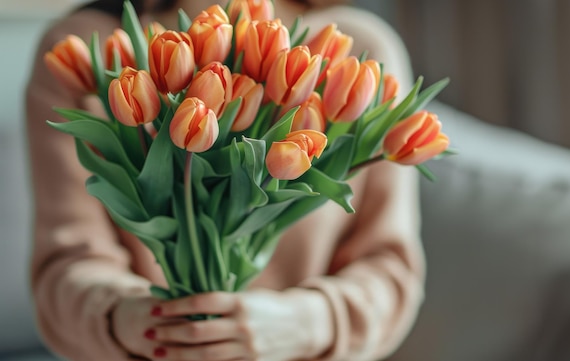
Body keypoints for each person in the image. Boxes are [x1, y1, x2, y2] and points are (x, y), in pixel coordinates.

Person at [24, 0, 423, 360]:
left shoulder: (361, 46)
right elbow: (67, 262)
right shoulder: (85, 43)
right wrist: (125, 317)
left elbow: (390, 268)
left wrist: (308, 322)